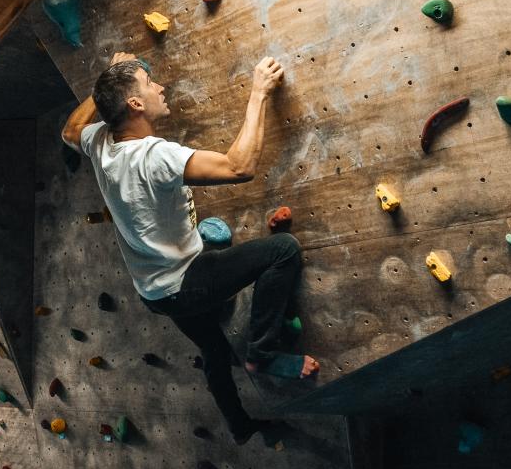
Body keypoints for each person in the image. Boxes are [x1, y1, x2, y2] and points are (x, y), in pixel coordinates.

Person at [61, 52, 319, 444]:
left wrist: (108, 82)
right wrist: (259, 92)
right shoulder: (155, 157)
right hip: (184, 282)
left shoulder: (99, 140)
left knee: (214, 348)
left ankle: (240, 426)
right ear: (135, 104)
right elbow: (239, 167)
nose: (159, 87)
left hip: (153, 291)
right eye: (149, 84)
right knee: (283, 249)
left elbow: (69, 130)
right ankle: (262, 355)